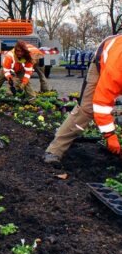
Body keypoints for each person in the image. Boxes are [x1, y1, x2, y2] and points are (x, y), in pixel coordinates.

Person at [44, 35, 122, 164]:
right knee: (86, 109)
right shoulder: (117, 68)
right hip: (101, 61)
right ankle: (54, 150)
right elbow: (101, 103)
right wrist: (110, 135)